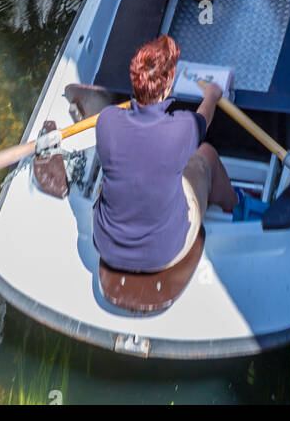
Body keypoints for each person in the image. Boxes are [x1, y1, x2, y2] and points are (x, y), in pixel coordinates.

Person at [92, 35, 238, 273]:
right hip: (165, 252)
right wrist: (211, 95)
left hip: (107, 247)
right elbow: (204, 118)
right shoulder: (182, 128)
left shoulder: (106, 120)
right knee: (206, 154)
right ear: (169, 86)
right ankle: (235, 203)